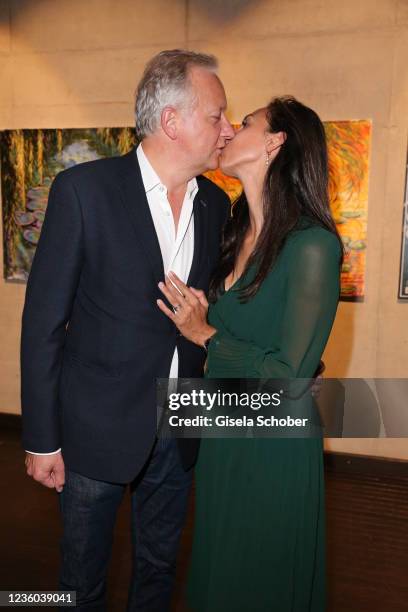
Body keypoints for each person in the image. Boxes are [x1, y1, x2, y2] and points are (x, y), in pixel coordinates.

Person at [20, 49, 235, 611]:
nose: (227, 129)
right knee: (82, 581)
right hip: (95, 429)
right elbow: (43, 324)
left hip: (179, 428)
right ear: (172, 121)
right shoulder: (83, 192)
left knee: (159, 572)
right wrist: (43, 439)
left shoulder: (215, 204)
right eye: (217, 116)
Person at [157, 96, 343, 611]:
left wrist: (206, 334)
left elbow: (289, 374)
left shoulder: (312, 245)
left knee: (259, 575)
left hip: (274, 446)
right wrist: (205, 315)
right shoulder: (234, 229)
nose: (230, 130)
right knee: (221, 569)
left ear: (274, 143)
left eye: (246, 123)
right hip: (225, 433)